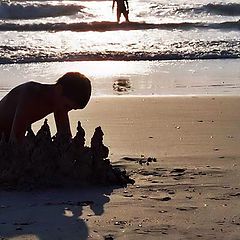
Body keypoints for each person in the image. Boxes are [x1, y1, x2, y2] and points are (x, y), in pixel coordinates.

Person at [0, 72, 91, 143]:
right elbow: (16, 139)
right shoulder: (31, 95)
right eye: (67, 106)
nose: (66, 111)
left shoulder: (59, 103)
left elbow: (65, 138)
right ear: (58, 89)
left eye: (71, 109)